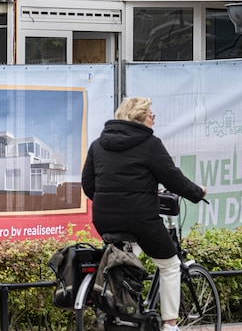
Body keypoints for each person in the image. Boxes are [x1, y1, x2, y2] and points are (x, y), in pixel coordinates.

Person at [82, 97, 206, 331]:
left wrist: (108, 200)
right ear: (140, 118)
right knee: (169, 264)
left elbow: (88, 184)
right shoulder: (150, 143)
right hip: (140, 218)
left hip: (104, 218)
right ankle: (170, 324)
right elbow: (172, 177)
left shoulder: (99, 144)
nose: (153, 120)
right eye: (151, 116)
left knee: (128, 258)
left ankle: (125, 311)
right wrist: (197, 193)